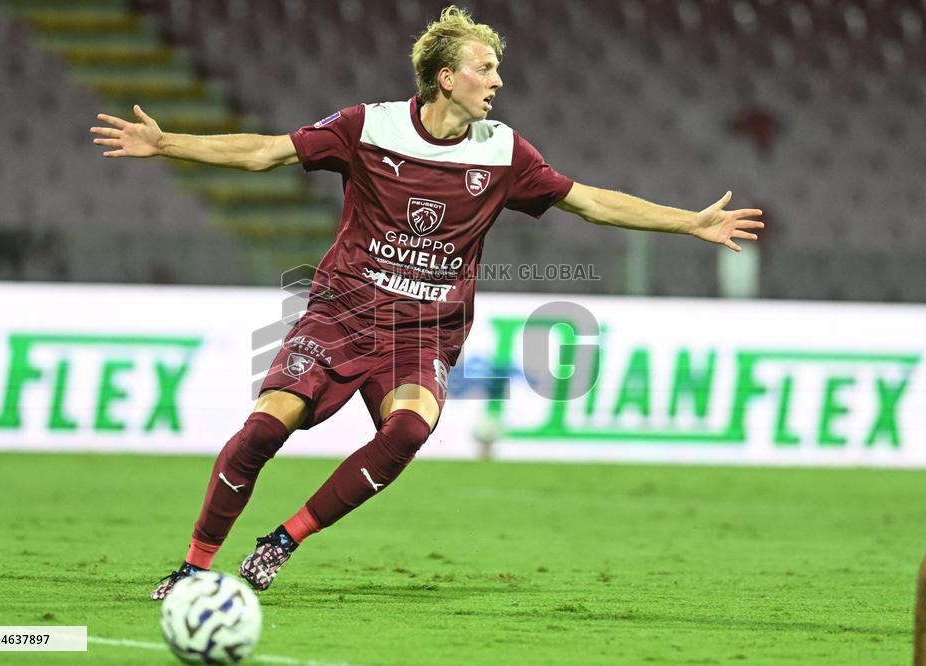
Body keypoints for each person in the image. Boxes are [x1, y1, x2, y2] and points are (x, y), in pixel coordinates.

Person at [90, 6, 763, 600]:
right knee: (267, 427)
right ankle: (195, 567)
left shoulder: (503, 151)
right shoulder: (368, 127)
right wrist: (166, 143)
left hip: (424, 332)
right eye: (485, 68)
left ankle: (284, 540)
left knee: (410, 428)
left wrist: (690, 222)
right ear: (446, 77)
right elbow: (267, 152)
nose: (498, 81)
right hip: (342, 313)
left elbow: (589, 202)